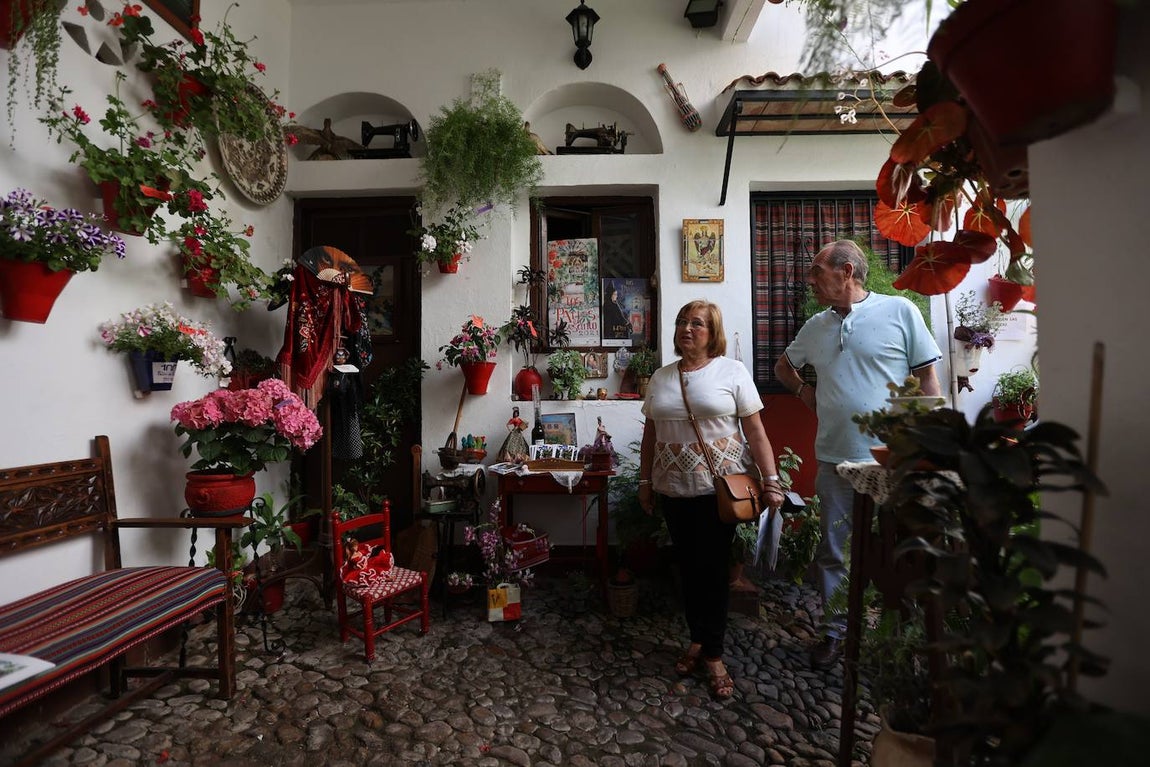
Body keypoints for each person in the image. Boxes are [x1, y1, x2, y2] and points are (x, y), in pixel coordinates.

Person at [773, 240, 942, 671]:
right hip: (834, 458)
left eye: (816, 271)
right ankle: (836, 634)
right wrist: (803, 391)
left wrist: (927, 441)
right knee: (834, 551)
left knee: (900, 550)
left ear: (846, 271)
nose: (809, 280)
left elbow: (928, 378)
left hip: (893, 460)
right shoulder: (815, 326)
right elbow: (783, 367)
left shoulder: (899, 311)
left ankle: (903, 638)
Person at [638, 300, 785, 699]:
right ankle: (697, 640)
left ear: (712, 331)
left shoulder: (731, 372)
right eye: (682, 322)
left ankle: (714, 652)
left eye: (697, 323)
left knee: (714, 570)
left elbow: (755, 432)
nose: (687, 329)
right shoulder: (661, 377)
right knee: (688, 569)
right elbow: (651, 434)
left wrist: (771, 480)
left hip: (716, 491)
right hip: (673, 489)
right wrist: (645, 482)